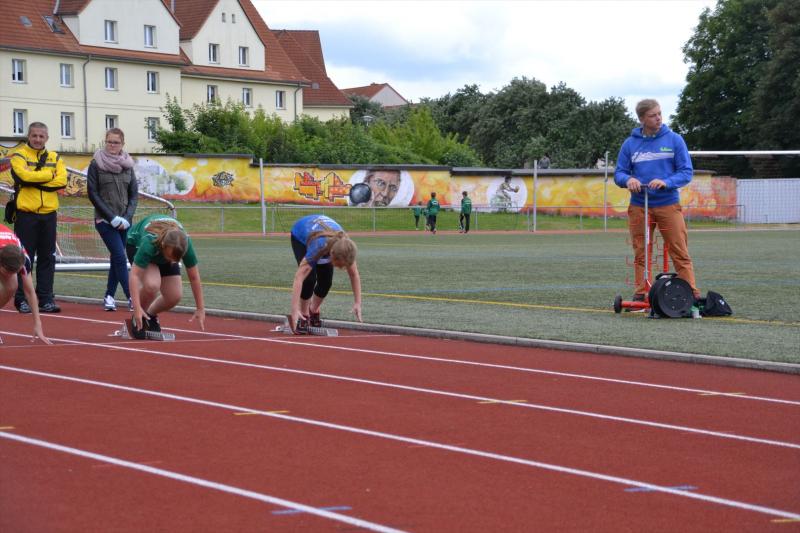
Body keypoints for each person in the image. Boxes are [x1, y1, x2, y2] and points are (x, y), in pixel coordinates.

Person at [614, 98, 700, 302]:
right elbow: (619, 173)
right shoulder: (630, 144)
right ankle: (641, 291)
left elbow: (686, 172)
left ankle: (690, 292)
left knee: (679, 249)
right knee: (641, 251)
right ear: (642, 119)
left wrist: (666, 182)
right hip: (639, 206)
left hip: (668, 204)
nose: (658, 118)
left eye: (660, 113)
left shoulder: (675, 140)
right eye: (653, 115)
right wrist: (628, 180)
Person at [9, 122, 67, 314]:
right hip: (26, 215)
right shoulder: (19, 156)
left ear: (47, 138)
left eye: (41, 136)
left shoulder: (54, 157)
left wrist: (35, 180)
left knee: (47, 258)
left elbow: (62, 180)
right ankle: (21, 299)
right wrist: (48, 174)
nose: (37, 139)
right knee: (23, 259)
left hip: (49, 215)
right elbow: (22, 177)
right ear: (28, 136)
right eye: (34, 135)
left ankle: (46, 299)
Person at [126, 214, 206, 333]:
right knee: (152, 285)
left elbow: (194, 277)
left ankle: (150, 316)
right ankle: (138, 318)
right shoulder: (149, 242)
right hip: (135, 244)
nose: (172, 262)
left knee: (174, 296)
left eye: (176, 259)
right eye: (170, 257)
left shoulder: (184, 243)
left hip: (163, 251)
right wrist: (137, 308)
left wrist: (200, 308)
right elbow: (134, 275)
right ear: (163, 246)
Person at [87, 128, 138, 311]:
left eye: (116, 142)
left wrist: (127, 217)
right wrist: (111, 217)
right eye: (109, 141)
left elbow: (134, 195)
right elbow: (92, 193)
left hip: (125, 222)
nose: (112, 145)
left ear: (122, 144)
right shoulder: (96, 164)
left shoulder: (128, 165)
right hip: (105, 221)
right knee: (119, 256)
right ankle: (131, 297)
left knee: (116, 259)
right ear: (105, 142)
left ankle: (109, 296)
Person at [290, 214, 362, 332]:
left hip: (326, 241)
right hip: (300, 234)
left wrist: (357, 303)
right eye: (339, 265)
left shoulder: (346, 247)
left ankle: (313, 310)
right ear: (332, 254)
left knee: (326, 282)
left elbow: (354, 274)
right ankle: (304, 314)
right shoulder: (318, 246)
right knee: (309, 279)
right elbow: (299, 277)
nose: (341, 268)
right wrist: (294, 310)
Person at [0, 224, 50, 344]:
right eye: (8, 272)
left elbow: (30, 292)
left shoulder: (23, 259)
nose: (10, 275)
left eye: (14, 272)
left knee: (12, 285)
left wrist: (38, 324)